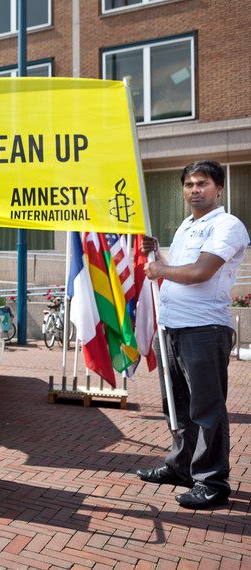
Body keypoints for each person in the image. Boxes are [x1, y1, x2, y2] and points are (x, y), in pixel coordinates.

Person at [136, 160, 249, 510]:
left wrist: (160, 269)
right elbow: (179, 265)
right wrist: (159, 253)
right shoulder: (187, 225)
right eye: (189, 184)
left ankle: (213, 482)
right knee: (179, 405)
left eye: (202, 183)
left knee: (206, 408)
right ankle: (181, 467)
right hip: (172, 326)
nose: (194, 190)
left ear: (219, 188)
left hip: (204, 329)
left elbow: (201, 271)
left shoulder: (228, 225)